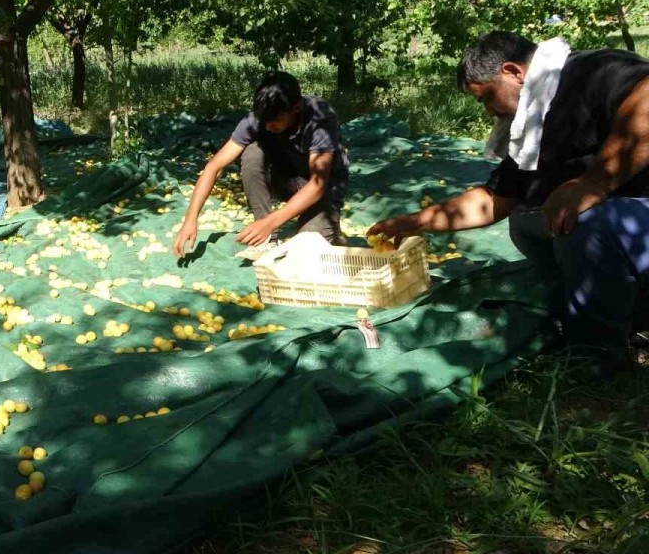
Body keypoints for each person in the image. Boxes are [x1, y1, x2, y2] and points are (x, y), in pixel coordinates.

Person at [369, 31, 649, 374]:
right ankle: (623, 312)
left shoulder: (592, 71)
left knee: (583, 222)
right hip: (620, 225)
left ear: (513, 72)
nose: (488, 112)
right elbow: (493, 201)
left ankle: (596, 360)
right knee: (526, 220)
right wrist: (412, 222)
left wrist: (593, 184)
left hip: (636, 214)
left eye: (487, 98)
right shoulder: (531, 125)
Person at [173, 71, 350, 258]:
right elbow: (214, 166)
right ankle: (268, 241)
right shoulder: (260, 117)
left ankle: (328, 227)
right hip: (287, 179)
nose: (267, 126)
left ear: (296, 108)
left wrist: (271, 221)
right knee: (253, 153)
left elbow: (317, 185)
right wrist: (190, 218)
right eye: (264, 120)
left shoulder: (319, 117)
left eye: (275, 121)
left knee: (305, 252)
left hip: (324, 190)